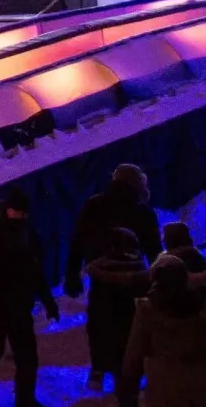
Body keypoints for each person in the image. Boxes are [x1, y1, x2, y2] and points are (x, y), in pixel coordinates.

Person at [0, 188, 58, 407]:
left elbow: (36, 270)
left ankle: (24, 400)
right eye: (17, 212)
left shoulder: (27, 234)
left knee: (26, 358)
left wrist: (48, 300)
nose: (20, 216)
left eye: (23, 213)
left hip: (18, 306)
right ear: (8, 210)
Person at [119, 252, 206, 406]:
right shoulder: (200, 308)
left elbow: (133, 356)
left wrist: (128, 387)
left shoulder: (147, 311)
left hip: (163, 385)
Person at [68, 164, 162, 297]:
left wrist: (72, 276)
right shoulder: (143, 212)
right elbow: (155, 252)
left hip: (101, 285)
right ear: (137, 182)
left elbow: (77, 242)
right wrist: (161, 279)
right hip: (133, 282)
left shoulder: (93, 205)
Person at [84, 226, 152, 392]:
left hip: (109, 331)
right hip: (132, 329)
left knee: (118, 367)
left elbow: (94, 314)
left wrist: (97, 362)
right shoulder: (142, 273)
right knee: (129, 375)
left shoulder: (101, 273)